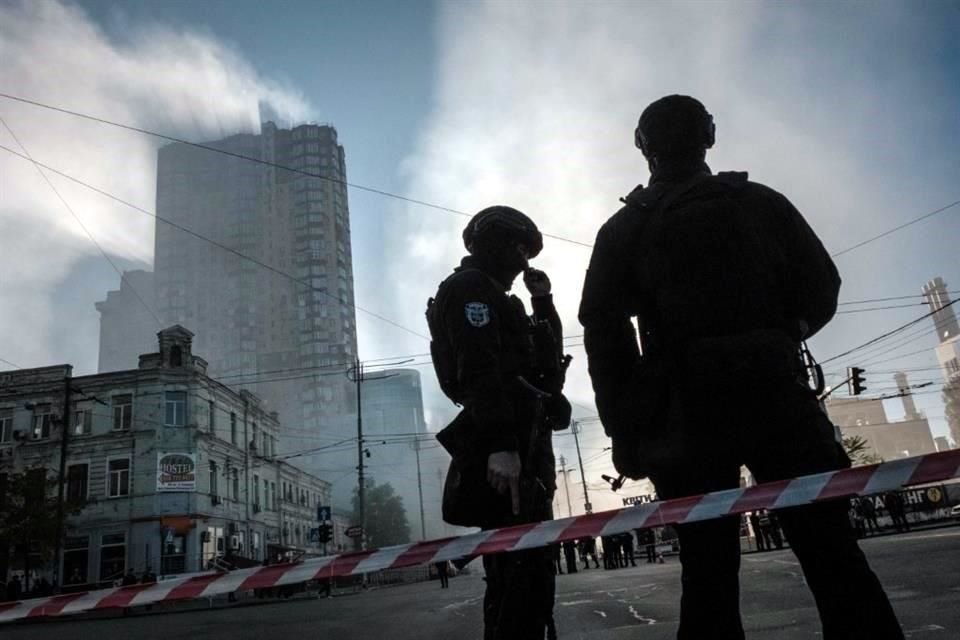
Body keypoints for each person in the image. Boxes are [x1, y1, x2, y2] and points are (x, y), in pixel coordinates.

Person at [579, 94, 903, 640]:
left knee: (706, 574)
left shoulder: (624, 228)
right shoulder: (759, 201)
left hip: (684, 415)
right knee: (833, 557)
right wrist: (778, 337)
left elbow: (604, 337)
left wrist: (627, 430)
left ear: (643, 148)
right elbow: (823, 286)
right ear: (709, 136)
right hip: (778, 397)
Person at [428, 205, 572, 640]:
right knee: (518, 576)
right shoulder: (470, 289)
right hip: (509, 446)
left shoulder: (503, 298)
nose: (524, 260)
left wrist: (542, 301)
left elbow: (545, 365)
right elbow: (480, 371)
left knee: (532, 570)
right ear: (494, 244)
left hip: (526, 441)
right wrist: (501, 446)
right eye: (518, 248)